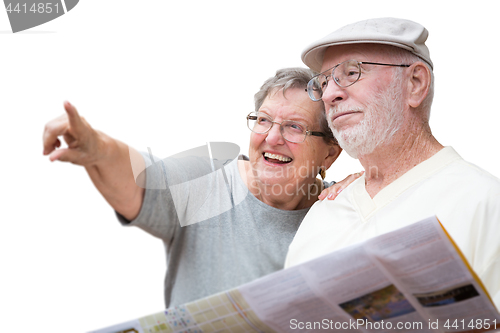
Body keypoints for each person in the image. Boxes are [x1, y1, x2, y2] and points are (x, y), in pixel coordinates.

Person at [42, 67, 359, 307]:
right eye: (263, 120)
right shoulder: (208, 181)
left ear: (330, 153)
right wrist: (96, 148)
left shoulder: (340, 212)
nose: (272, 137)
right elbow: (141, 180)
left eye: (294, 127)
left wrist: (371, 190)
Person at [285, 18, 500, 308]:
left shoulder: (484, 202)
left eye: (351, 72)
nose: (328, 95)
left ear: (415, 84)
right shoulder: (324, 211)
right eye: (323, 82)